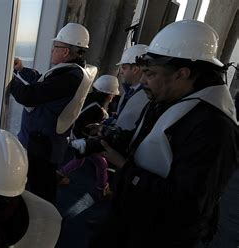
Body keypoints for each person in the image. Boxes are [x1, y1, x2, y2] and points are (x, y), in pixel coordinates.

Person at [86, 20, 238, 248]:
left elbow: (188, 206)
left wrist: (126, 168)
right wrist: (111, 136)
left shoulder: (216, 129)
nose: (143, 81)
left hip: (158, 235)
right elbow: (147, 138)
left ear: (182, 73)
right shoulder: (171, 96)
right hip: (132, 216)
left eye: (150, 74)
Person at [10, 23, 96, 204]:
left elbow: (29, 96)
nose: (51, 50)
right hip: (49, 141)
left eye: (55, 47)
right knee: (43, 184)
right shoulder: (73, 72)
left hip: (43, 144)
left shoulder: (70, 77)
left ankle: (43, 223)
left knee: (40, 190)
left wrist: (7, 77)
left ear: (65, 52)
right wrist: (21, 70)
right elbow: (45, 83)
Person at [58, 75, 119, 198]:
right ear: (108, 95)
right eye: (113, 95)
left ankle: (59, 175)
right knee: (101, 163)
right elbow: (90, 128)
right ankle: (103, 188)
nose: (113, 98)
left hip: (74, 135)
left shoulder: (88, 98)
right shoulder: (98, 110)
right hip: (81, 140)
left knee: (81, 161)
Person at [114, 44, 150, 131]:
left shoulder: (147, 96)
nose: (121, 72)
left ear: (135, 69)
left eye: (124, 68)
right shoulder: (129, 92)